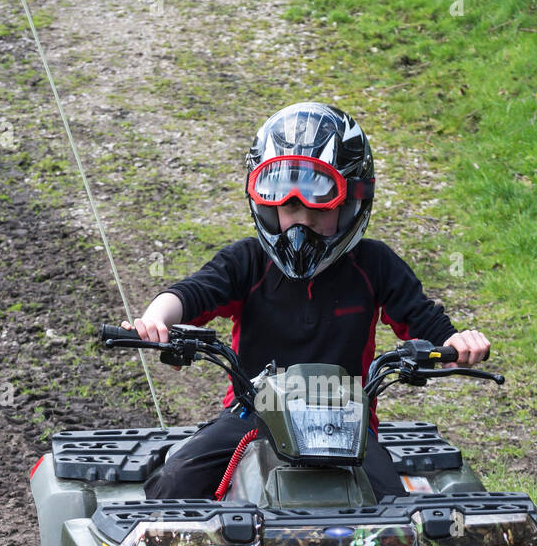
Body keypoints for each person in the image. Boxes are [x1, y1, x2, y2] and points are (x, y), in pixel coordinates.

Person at [122, 100, 490, 502]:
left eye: (319, 208)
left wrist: (458, 344)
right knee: (175, 478)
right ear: (265, 206)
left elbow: (428, 324)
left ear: (353, 203)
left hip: (348, 428)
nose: (301, 222)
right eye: (289, 207)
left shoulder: (375, 265)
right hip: (253, 415)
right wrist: (156, 318)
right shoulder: (248, 261)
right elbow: (192, 293)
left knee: (400, 515)